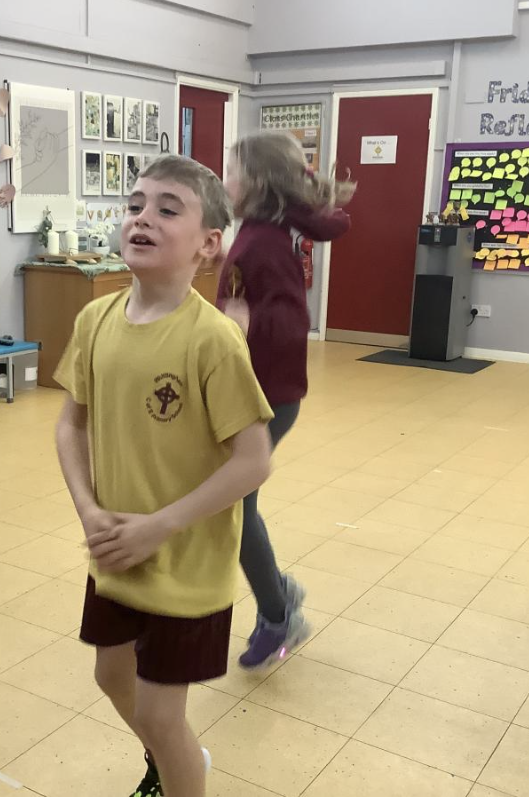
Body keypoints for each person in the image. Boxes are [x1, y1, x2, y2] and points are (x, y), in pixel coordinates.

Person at [55, 155, 273, 798]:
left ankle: (181, 767)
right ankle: (176, 759)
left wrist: (162, 525)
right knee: (111, 677)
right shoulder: (94, 321)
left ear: (208, 245)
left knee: (158, 714)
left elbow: (254, 458)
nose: (142, 218)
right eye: (135, 205)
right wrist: (89, 511)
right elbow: (72, 425)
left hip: (186, 565)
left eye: (167, 208)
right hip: (117, 550)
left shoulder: (211, 341)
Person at [217, 131, 355, 669]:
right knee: (234, 506)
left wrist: (243, 322)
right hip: (253, 391)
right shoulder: (259, 230)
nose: (223, 180)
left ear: (255, 180)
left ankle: (279, 614)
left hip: (265, 396)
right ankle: (280, 596)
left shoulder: (265, 240)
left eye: (230, 170)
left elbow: (288, 320)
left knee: (233, 505)